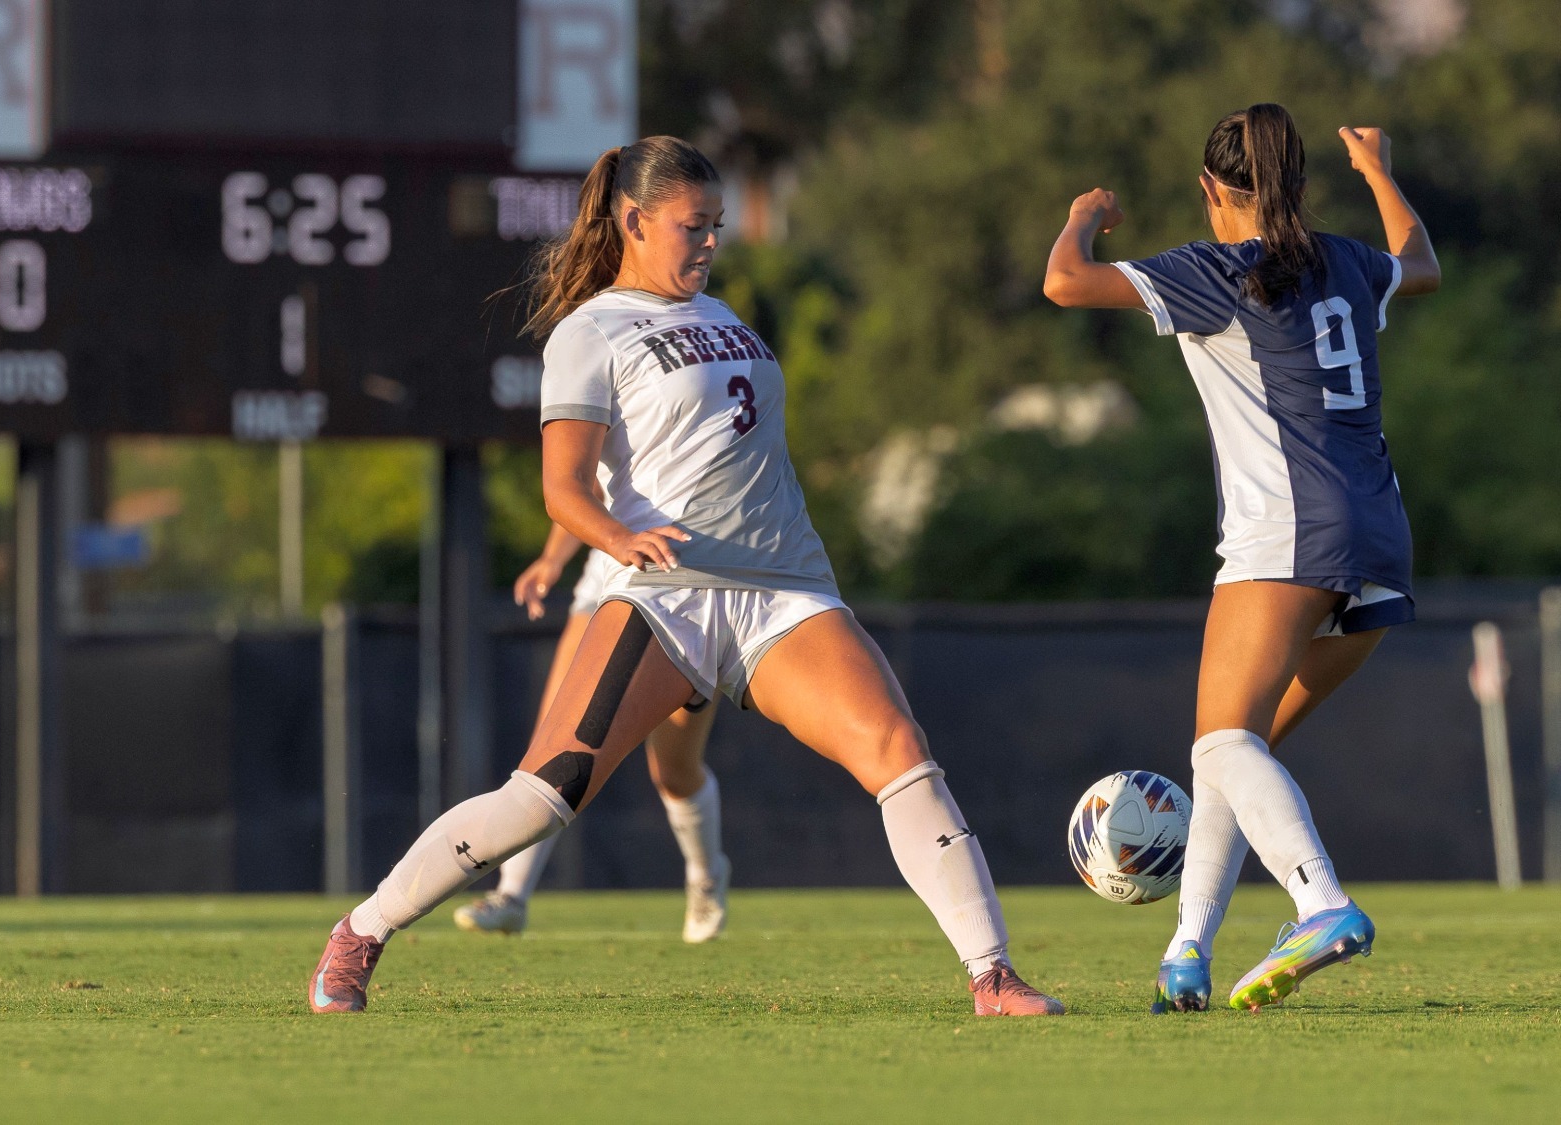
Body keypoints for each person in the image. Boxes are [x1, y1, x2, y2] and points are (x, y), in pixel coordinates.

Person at [310, 136, 1062, 1017]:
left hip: (784, 585)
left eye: (714, 225)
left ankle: (992, 974)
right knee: (546, 792)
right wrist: (615, 538)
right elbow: (562, 489)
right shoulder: (590, 332)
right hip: (667, 595)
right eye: (691, 225)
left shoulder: (729, 313)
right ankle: (360, 933)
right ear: (633, 220)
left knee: (899, 752)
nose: (710, 242)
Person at [1044, 104, 1440, 1012]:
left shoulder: (1220, 271)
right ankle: (1186, 954)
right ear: (1298, 186)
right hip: (1379, 533)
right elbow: (1423, 264)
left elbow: (1064, 282)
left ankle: (1320, 901)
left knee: (1223, 740)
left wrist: (1084, 215)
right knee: (1233, 748)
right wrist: (1379, 170)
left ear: (1211, 191)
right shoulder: (1345, 259)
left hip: (1287, 530)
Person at [452, 528, 729, 943]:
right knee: (555, 748)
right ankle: (511, 896)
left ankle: (707, 876)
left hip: (690, 579)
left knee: (673, 770)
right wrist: (553, 558)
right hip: (612, 574)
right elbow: (581, 481)